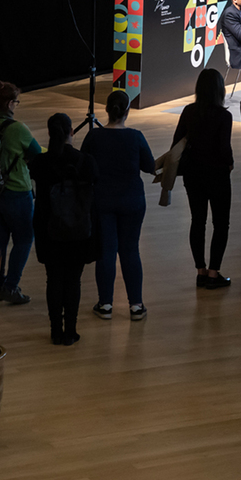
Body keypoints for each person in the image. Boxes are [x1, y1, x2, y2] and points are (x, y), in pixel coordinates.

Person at [82, 90, 156, 321]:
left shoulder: (94, 137)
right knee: (130, 250)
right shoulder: (136, 136)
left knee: (106, 252)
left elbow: (84, 166)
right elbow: (150, 166)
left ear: (106, 110)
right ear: (127, 111)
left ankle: (105, 305)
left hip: (102, 200)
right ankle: (136, 305)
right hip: (133, 200)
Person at [29, 113, 99, 345]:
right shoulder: (86, 161)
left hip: (49, 229)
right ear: (72, 132)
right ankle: (71, 330)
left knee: (54, 279)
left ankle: (55, 330)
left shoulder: (40, 163)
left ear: (49, 134)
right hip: (79, 229)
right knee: (73, 280)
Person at [172, 68, 234, 289]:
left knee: (198, 221)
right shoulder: (224, 116)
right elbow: (224, 149)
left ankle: (200, 270)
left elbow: (175, 145)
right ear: (220, 90)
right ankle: (213, 273)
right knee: (221, 224)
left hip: (193, 175)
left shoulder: (189, 111)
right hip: (217, 175)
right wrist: (230, 163)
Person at [0, 80, 42, 305]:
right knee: (25, 238)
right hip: (17, 191)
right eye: (16, 102)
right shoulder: (17, 128)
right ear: (9, 103)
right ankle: (11, 286)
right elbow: (36, 153)